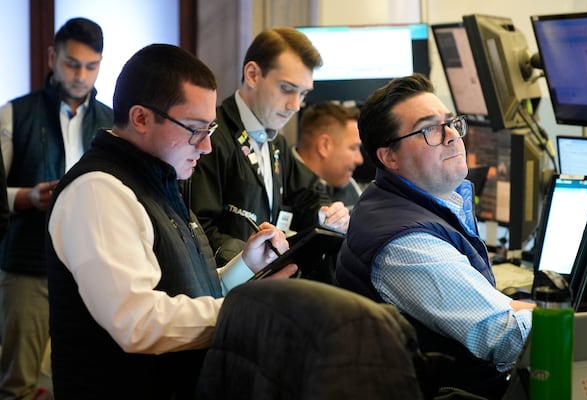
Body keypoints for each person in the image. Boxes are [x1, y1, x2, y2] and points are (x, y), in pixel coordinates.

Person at [45, 43, 297, 400]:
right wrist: (247, 312)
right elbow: (138, 321)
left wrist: (247, 266)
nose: (207, 146)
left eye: (210, 128)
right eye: (195, 129)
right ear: (141, 118)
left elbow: (190, 293)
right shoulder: (98, 191)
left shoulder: (159, 179)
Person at [335, 73, 534, 400]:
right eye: (429, 129)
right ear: (389, 157)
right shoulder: (405, 244)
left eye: (451, 123)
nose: (452, 136)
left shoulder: (399, 202)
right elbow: (511, 339)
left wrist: (521, 307)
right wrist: (566, 320)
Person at [0, 17, 113, 399]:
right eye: (71, 63)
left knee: (86, 377)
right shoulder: (14, 113)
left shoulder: (111, 123)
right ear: (52, 57)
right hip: (28, 265)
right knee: (18, 383)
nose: (81, 75)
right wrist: (26, 198)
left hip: (93, 268)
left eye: (91, 66)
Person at [188, 27, 349, 267]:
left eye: (303, 93)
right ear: (252, 74)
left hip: (265, 278)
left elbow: (309, 194)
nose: (295, 105)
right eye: (286, 89)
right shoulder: (211, 137)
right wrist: (253, 256)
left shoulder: (276, 142)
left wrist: (328, 214)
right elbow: (198, 228)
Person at [295, 102, 364, 207]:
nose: (360, 160)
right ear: (324, 146)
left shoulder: (347, 184)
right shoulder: (281, 185)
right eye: (353, 148)